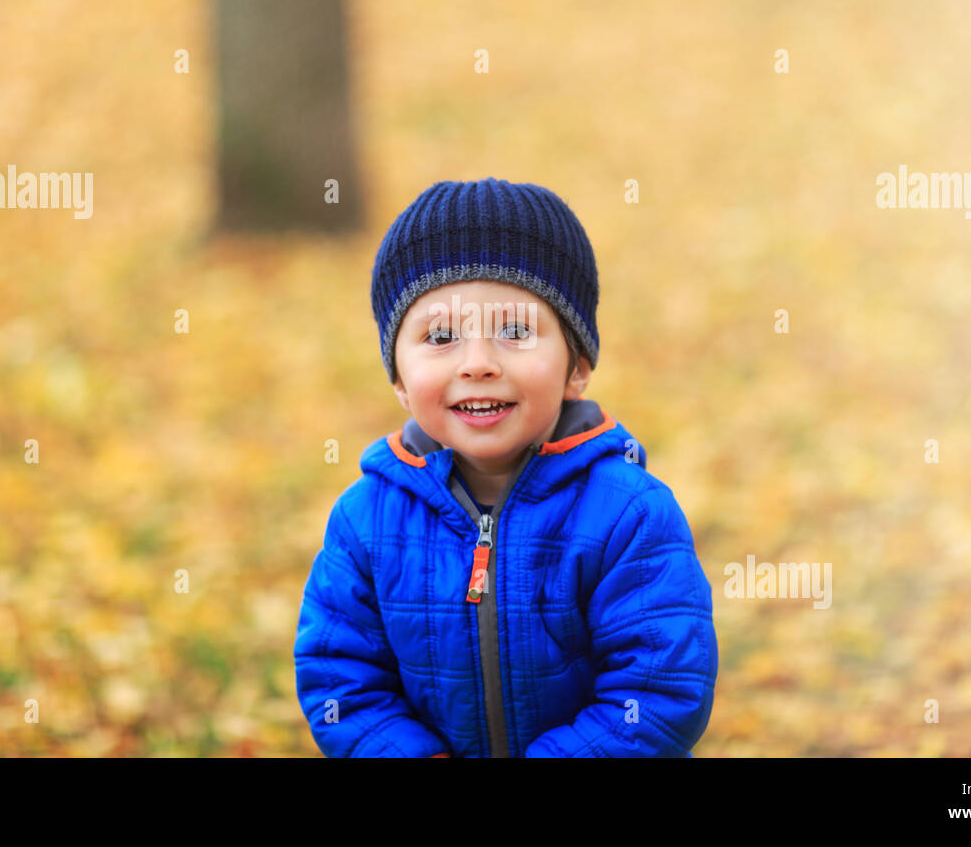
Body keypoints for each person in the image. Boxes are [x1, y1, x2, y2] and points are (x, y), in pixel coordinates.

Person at [294, 177, 718, 756]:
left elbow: (657, 690)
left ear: (577, 366)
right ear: (398, 377)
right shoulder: (366, 521)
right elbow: (341, 679)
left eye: (515, 332)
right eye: (440, 336)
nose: (478, 363)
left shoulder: (628, 514)